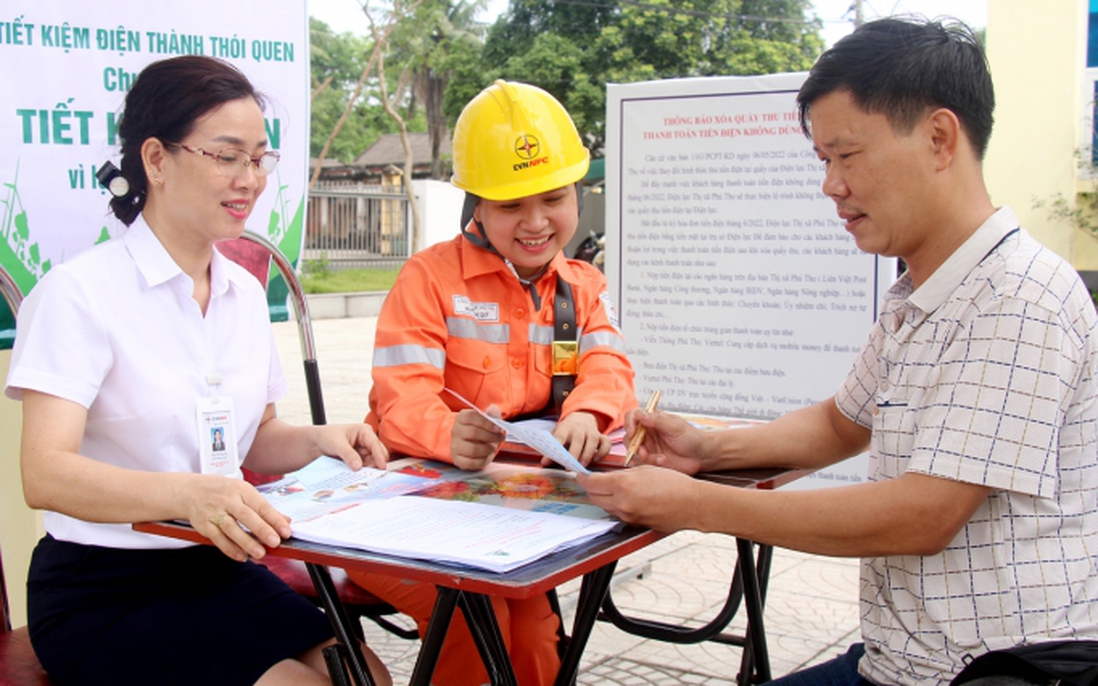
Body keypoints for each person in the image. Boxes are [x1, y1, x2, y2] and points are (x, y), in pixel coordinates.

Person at [579, 17, 1098, 686]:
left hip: (1000, 672)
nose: (831, 185)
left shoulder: (1018, 296)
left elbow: (924, 514)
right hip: (901, 661)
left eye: (846, 156)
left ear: (940, 138)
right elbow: (841, 423)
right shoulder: (923, 290)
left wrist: (693, 504)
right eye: (824, 160)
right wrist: (707, 452)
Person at [4, 55, 391, 686]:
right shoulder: (79, 294)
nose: (250, 179)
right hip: (100, 587)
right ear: (155, 160)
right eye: (226, 155)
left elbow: (256, 436)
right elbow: (44, 474)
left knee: (365, 675)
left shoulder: (241, 293)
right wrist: (187, 493)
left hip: (216, 568)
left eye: (259, 157)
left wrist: (322, 440)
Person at [347, 79, 637, 685]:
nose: (536, 223)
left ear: (577, 194)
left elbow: (609, 367)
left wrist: (588, 414)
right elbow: (401, 397)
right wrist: (449, 434)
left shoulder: (583, 287)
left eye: (553, 198)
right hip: (395, 509)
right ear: (475, 205)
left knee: (532, 636)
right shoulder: (428, 278)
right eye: (510, 206)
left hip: (511, 512)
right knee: (472, 617)